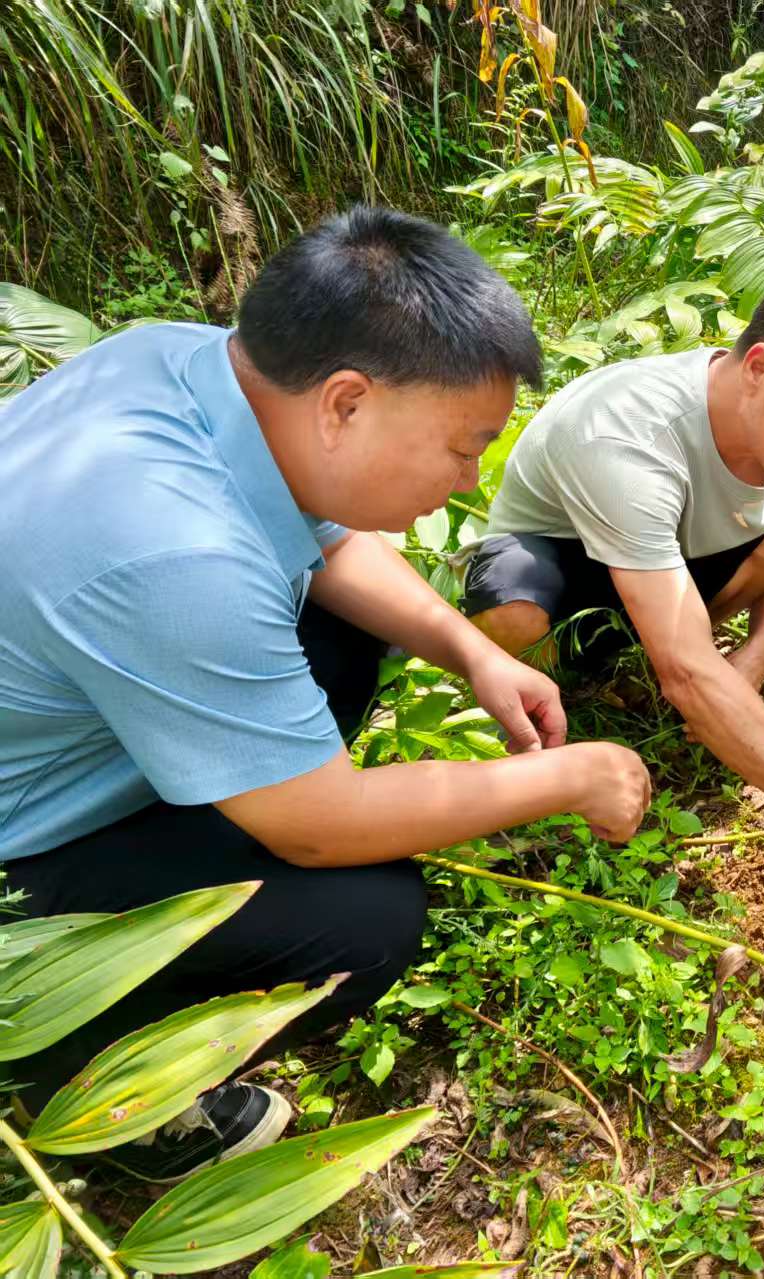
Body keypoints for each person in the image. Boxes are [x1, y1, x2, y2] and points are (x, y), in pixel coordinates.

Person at [0, 207, 652, 1182]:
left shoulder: (192, 369)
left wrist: (468, 653)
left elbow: (327, 537)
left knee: (346, 625)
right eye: (463, 447)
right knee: (365, 915)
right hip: (16, 874)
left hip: (60, 727)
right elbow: (321, 824)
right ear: (344, 402)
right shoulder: (175, 552)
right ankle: (85, 1071)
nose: (470, 478)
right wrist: (573, 776)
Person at [462, 269, 764, 912]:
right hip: (565, 570)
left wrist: (755, 658)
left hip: (663, 568)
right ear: (759, 366)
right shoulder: (628, 431)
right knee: (513, 613)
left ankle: (665, 659)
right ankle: (559, 698)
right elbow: (687, 673)